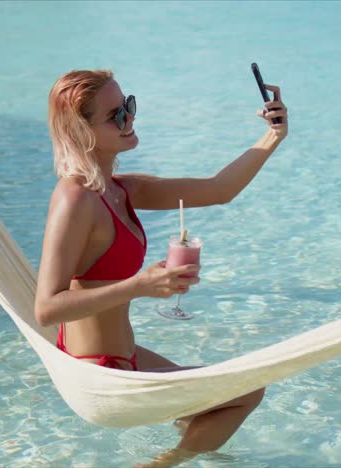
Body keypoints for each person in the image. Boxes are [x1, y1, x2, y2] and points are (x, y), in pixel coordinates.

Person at [35, 69, 288, 467]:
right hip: (99, 375)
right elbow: (46, 308)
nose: (130, 119)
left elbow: (219, 189)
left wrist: (273, 136)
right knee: (248, 390)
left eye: (129, 106)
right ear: (80, 130)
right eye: (116, 115)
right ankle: (161, 465)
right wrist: (140, 285)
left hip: (124, 358)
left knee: (211, 405)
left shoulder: (122, 189)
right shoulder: (75, 200)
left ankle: (192, 449)